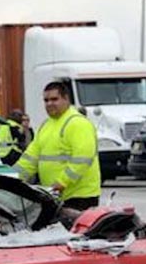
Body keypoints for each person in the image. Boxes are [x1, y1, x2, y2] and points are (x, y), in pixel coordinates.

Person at [14, 82, 101, 210]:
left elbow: (82, 159)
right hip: (54, 195)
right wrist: (11, 178)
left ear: (66, 99)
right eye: (46, 100)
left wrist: (61, 182)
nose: (49, 104)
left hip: (79, 196)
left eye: (54, 99)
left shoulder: (77, 123)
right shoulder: (46, 126)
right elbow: (30, 158)